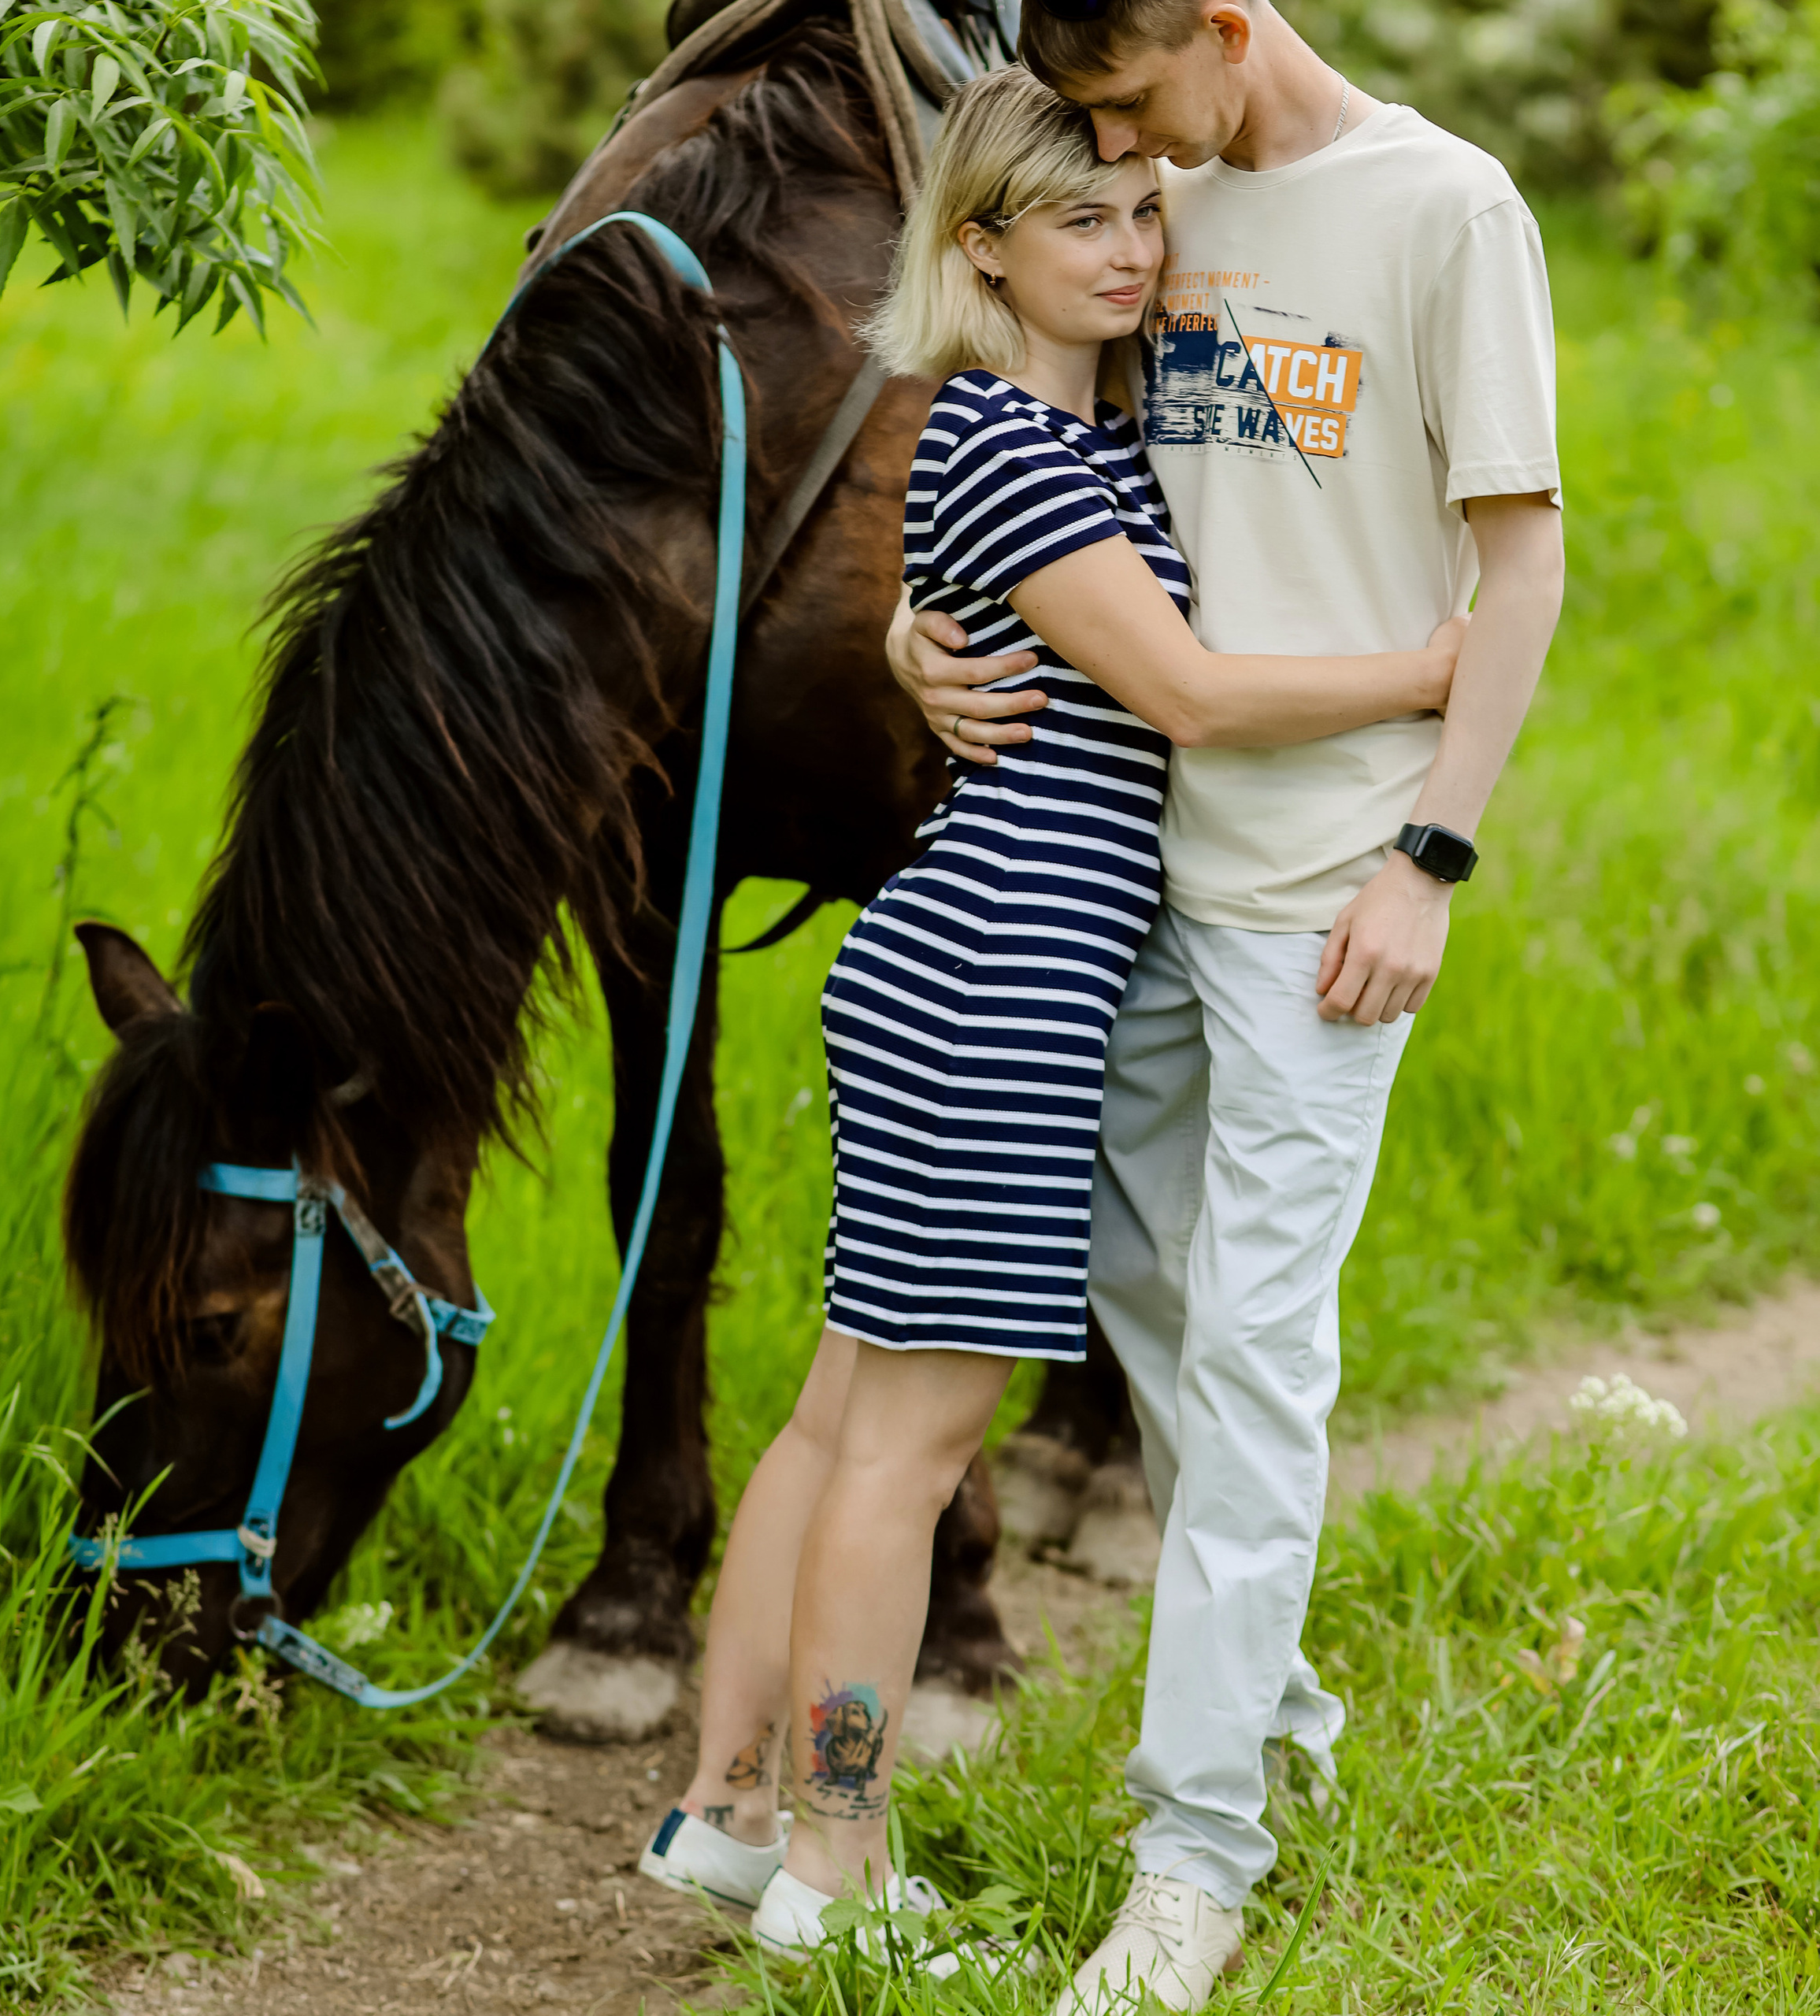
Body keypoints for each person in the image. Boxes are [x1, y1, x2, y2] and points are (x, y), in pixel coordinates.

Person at [634, 63, 1466, 1977]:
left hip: (952, 957)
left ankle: (724, 1806)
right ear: (979, 246)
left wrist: (924, 630)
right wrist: (1431, 663)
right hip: (1002, 979)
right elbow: (1181, 688)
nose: (1126, 244)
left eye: (1137, 209)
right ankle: (837, 1865)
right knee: (907, 1452)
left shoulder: (1070, 439)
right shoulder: (1014, 442)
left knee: (840, 1410)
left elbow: (1254, 426)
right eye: (1076, 217)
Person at [885, 4, 1566, 2010]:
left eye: (1123, 93)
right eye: (1088, 127)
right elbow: (1035, 465)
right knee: (1154, 1303)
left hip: (1323, 889)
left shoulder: (1448, 208)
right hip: (1130, 876)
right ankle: (1268, 1707)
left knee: (1257, 1351)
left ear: (1220, 25)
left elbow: (1514, 574)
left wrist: (1429, 857)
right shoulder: (1145, 205)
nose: (1114, 147)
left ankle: (1193, 1852)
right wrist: (922, 632)